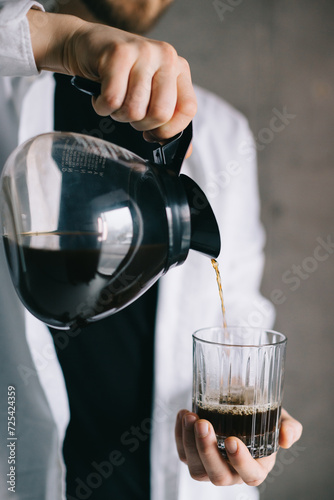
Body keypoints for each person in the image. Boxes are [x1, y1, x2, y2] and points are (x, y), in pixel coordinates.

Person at [0, 1, 302, 500]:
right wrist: (60, 40)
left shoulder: (223, 134)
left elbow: (238, 313)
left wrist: (245, 419)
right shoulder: (10, 84)